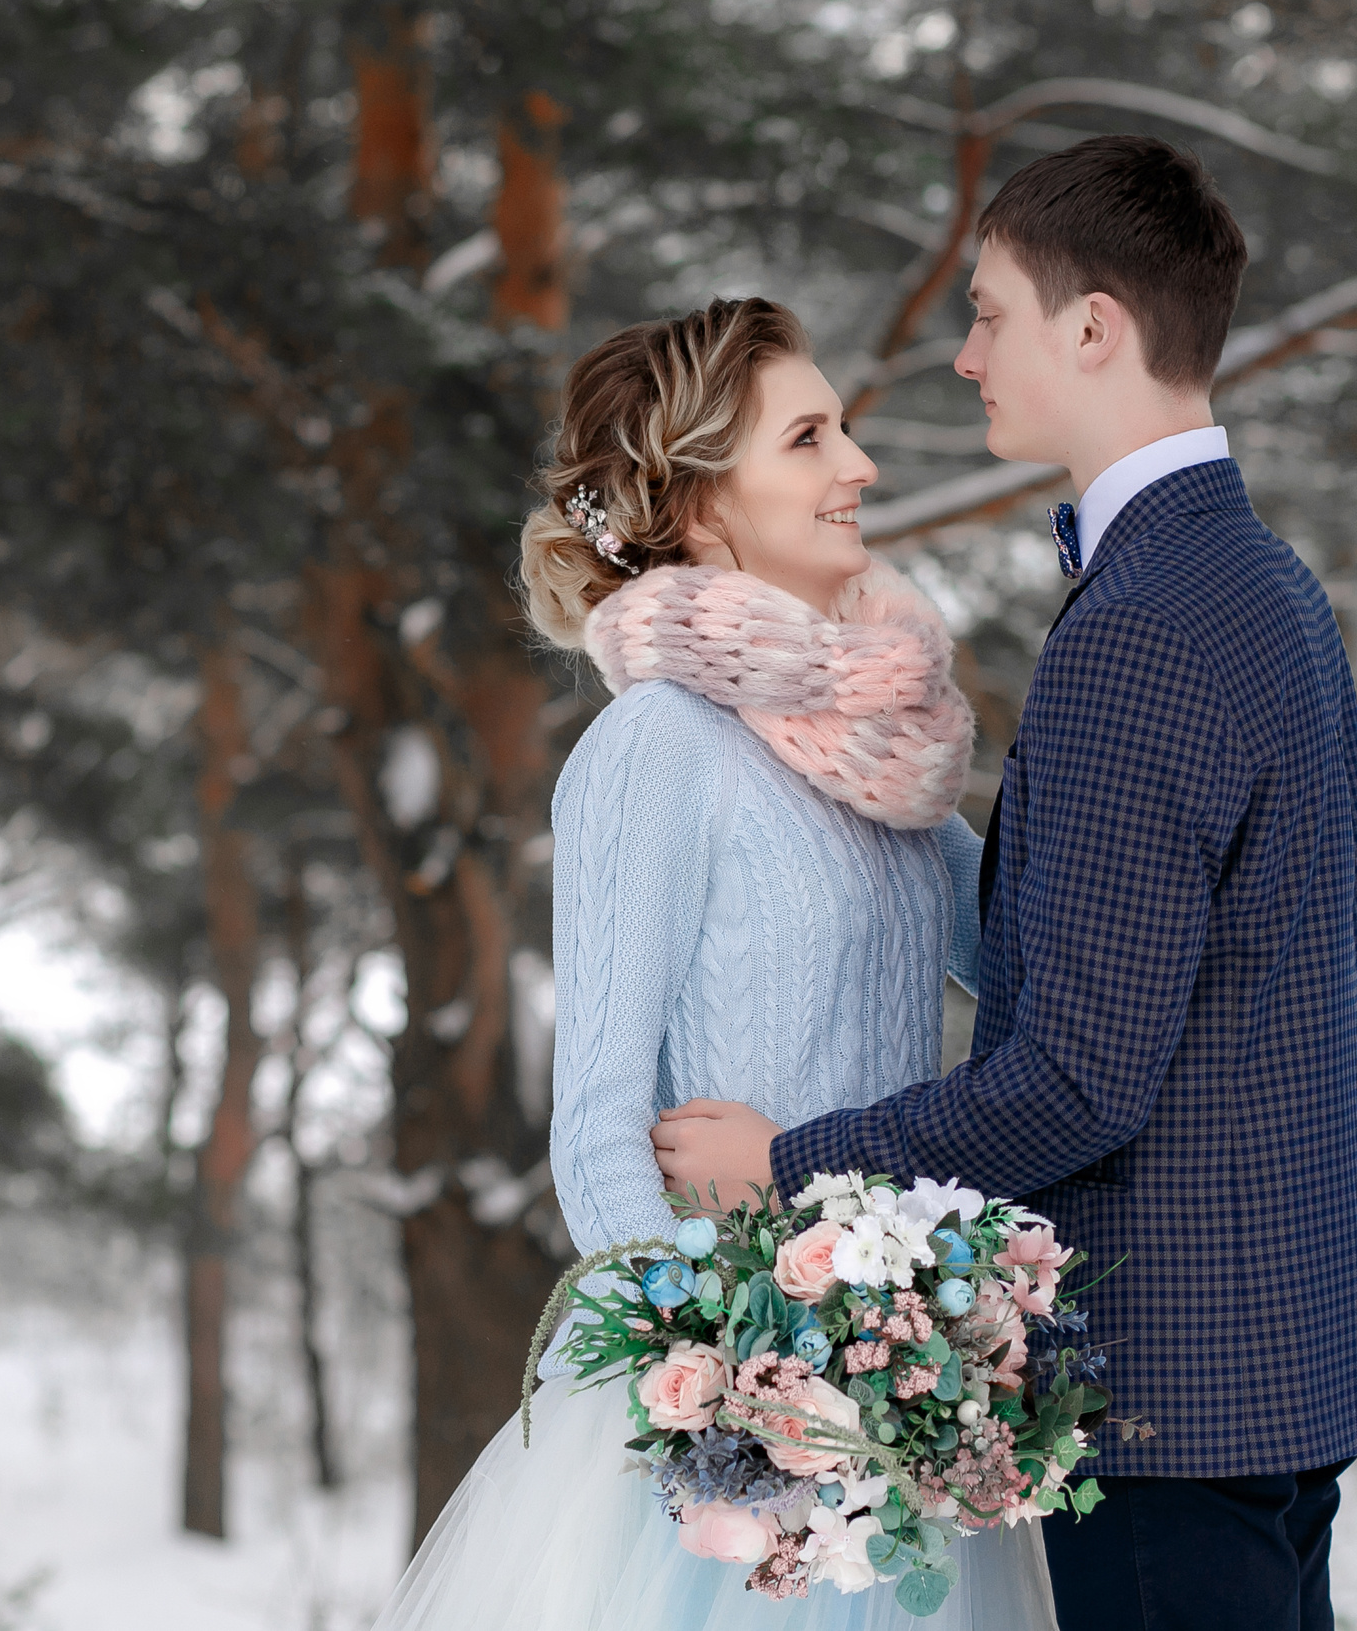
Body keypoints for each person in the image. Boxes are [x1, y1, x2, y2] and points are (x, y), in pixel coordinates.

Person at [651, 135, 1357, 1631]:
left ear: (1093, 329)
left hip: (1171, 1386)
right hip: (1278, 1353)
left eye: (990, 313)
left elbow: (1077, 1079)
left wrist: (790, 1166)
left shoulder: (1143, 627)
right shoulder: (1263, 584)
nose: (965, 358)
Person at [370, 297, 1054, 1630]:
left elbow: (1024, 965)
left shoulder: (879, 750)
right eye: (808, 439)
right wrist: (733, 1393)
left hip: (895, 1398)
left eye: (844, 430)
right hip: (734, 1447)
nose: (860, 465)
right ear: (697, 505)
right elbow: (597, 1127)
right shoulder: (660, 746)